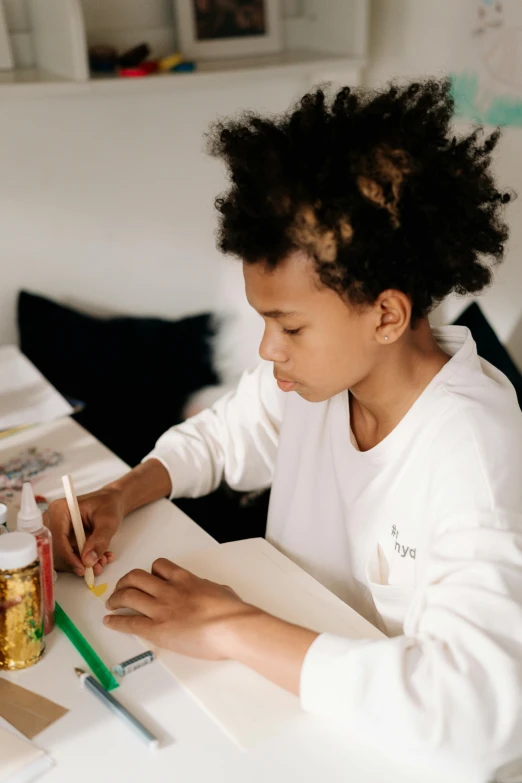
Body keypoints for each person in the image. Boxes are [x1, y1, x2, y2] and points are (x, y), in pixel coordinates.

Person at [47, 79, 522, 776]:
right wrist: (121, 493)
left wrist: (225, 624)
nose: (269, 350)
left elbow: (475, 713)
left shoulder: (474, 450)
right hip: (287, 717)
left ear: (387, 315)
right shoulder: (317, 381)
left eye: (289, 325)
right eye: (265, 320)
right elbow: (220, 436)